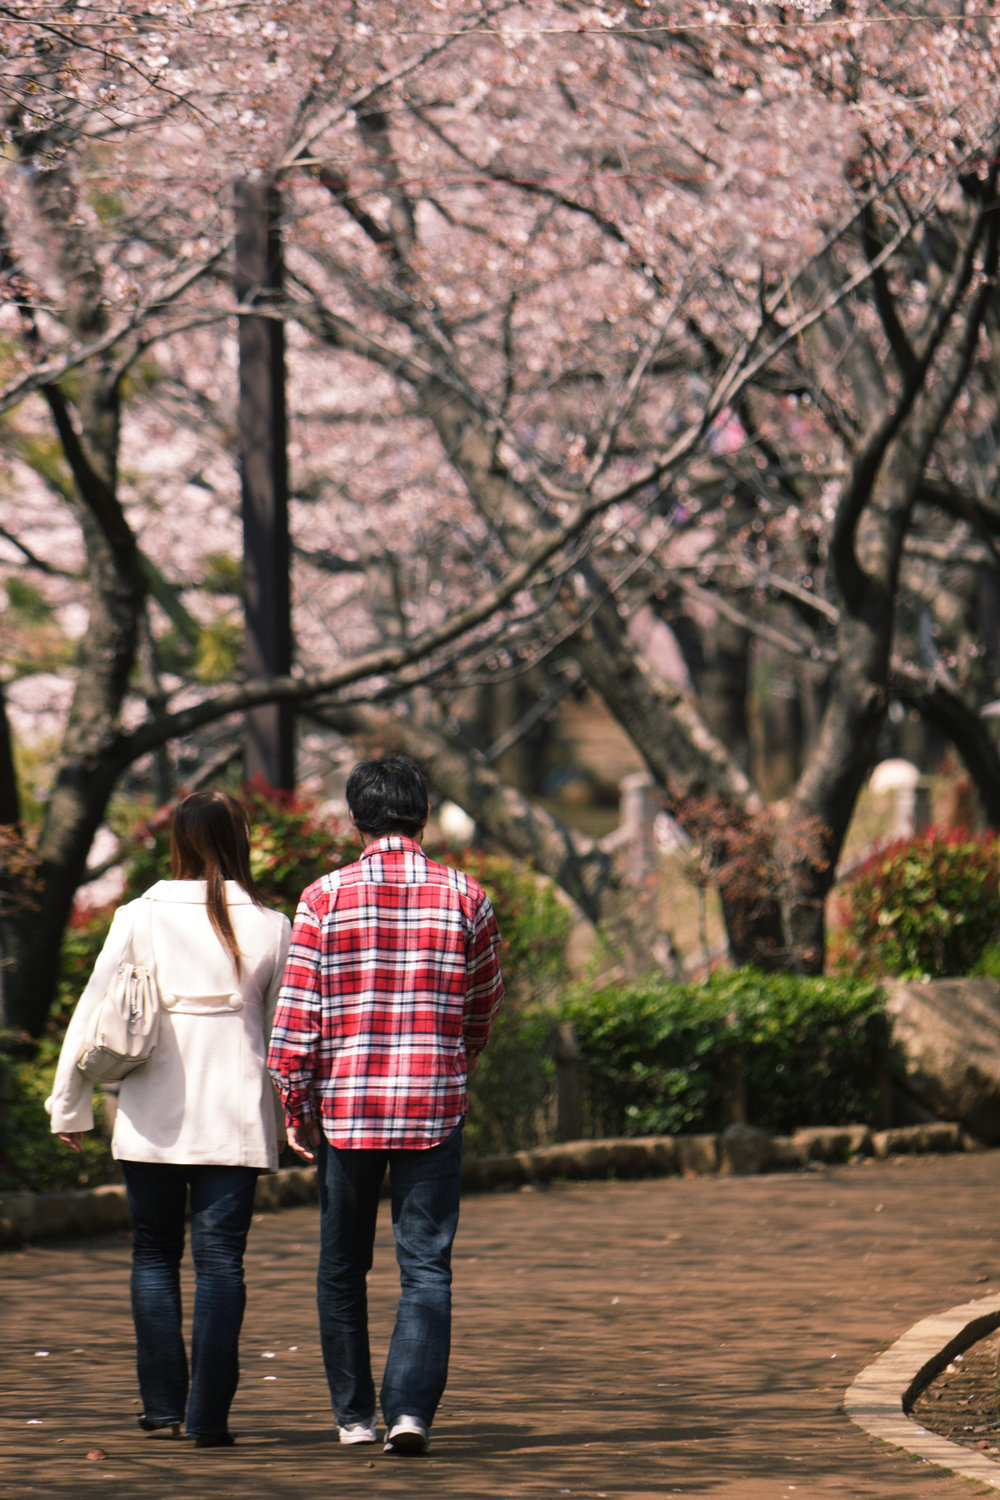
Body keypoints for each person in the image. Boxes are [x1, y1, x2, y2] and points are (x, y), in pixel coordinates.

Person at [266, 753, 504, 1456]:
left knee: (343, 1265)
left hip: (347, 1111)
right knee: (425, 1266)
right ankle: (409, 1414)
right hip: (432, 1106)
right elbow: (484, 1002)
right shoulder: (466, 896)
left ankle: (354, 1417)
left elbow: (297, 1013)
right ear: (422, 815)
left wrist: (293, 1098)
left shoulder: (322, 897)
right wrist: (457, 1059)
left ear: (356, 817)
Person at [47, 790, 291, 1448]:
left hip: (151, 1115)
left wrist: (68, 1102)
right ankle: (210, 1417)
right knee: (222, 1267)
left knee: (154, 1257)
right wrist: (296, 1114)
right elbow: (284, 1033)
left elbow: (97, 1008)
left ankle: (162, 1408)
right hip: (235, 1119)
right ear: (240, 840)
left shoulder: (140, 914)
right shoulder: (271, 925)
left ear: (178, 842)